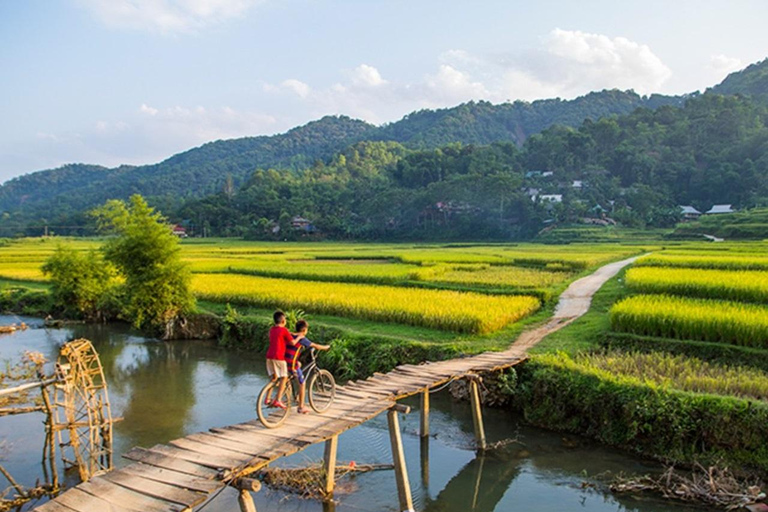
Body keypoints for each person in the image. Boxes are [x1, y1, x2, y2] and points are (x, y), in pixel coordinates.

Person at [286, 319, 330, 414]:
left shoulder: (291, 334)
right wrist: (325, 347)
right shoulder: (301, 338)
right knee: (303, 383)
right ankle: (301, 407)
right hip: (291, 363)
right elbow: (315, 345)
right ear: (304, 330)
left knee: (300, 364)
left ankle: (295, 394)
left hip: (284, 360)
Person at [265, 310, 293, 409]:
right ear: (283, 320)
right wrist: (299, 337)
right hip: (279, 357)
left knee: (274, 378)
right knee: (284, 377)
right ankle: (278, 400)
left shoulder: (272, 329)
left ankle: (267, 398)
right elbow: (292, 343)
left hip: (269, 356)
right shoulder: (284, 330)